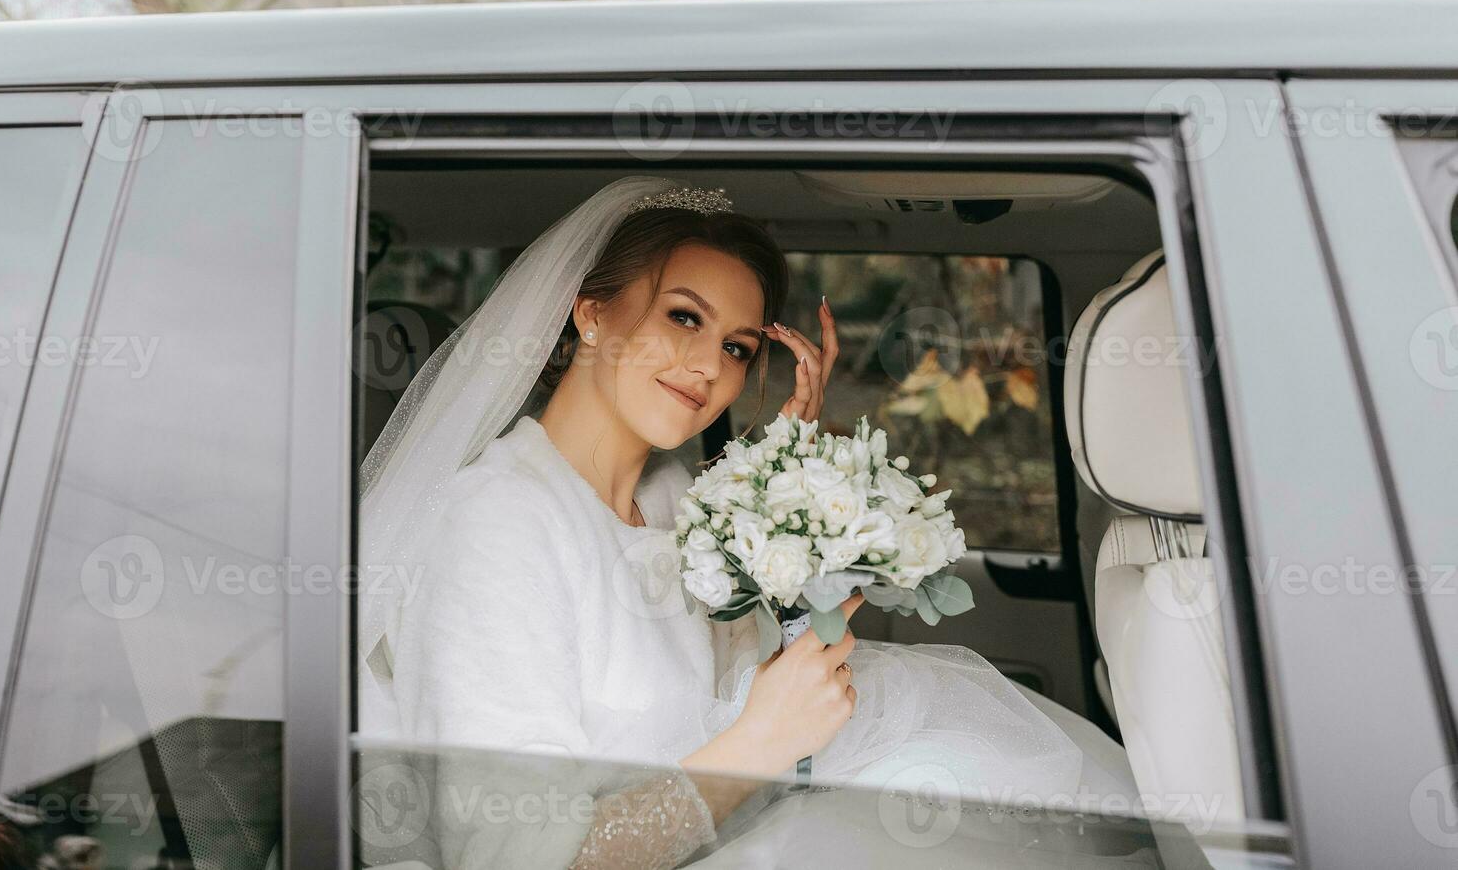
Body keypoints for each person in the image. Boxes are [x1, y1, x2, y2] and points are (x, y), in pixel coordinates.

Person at [355, 177, 1132, 870]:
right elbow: (511, 861)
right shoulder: (494, 524)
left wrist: (783, 489)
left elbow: (739, 684)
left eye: (735, 346)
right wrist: (757, 747)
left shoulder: (673, 499)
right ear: (592, 314)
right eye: (683, 317)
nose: (709, 367)